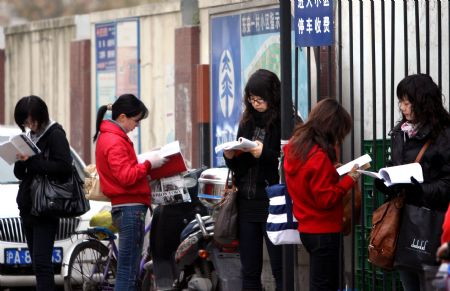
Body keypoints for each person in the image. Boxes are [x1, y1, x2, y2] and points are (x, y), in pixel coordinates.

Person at [374, 74, 450, 291]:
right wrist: (385, 181)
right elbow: (394, 166)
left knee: (436, 286)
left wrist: (420, 189)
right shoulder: (401, 133)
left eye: (407, 102)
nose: (402, 107)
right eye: (400, 102)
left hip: (434, 225)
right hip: (405, 223)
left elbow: (447, 182)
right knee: (409, 284)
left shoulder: (444, 135)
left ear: (423, 102)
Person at [283, 98, 361, 291]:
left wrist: (334, 173)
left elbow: (311, 185)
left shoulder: (297, 150)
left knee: (321, 283)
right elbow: (326, 198)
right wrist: (349, 179)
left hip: (307, 228)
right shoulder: (318, 157)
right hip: (324, 230)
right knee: (326, 285)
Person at [93, 94, 166, 291]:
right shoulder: (114, 141)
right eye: (136, 120)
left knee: (129, 268)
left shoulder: (112, 137)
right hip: (129, 209)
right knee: (127, 270)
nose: (137, 126)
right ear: (123, 117)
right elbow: (126, 176)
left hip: (127, 207)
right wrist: (149, 164)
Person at [223, 69, 283, 291]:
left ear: (272, 96)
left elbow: (288, 161)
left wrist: (263, 153)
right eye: (251, 98)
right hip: (247, 203)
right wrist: (230, 157)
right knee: (249, 270)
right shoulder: (247, 121)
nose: (255, 103)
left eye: (260, 99)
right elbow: (241, 167)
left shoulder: (285, 120)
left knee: (280, 268)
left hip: (273, 203)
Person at [13, 95, 73, 291]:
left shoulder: (55, 134)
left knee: (43, 263)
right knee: (37, 264)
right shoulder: (29, 136)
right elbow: (22, 174)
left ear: (41, 115)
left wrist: (31, 161)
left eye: (30, 120)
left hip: (47, 206)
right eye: (24, 122)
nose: (29, 125)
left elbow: (64, 168)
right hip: (29, 206)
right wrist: (19, 162)